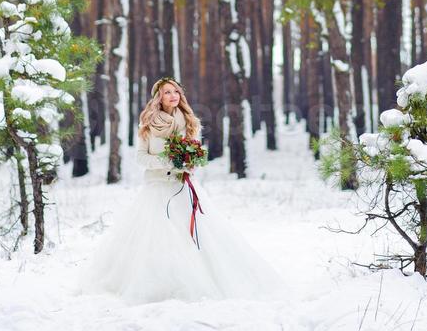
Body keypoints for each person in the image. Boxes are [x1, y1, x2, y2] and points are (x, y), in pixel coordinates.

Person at [77, 76, 285, 305]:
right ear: (158, 97)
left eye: (175, 91)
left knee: (194, 237)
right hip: (156, 188)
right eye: (167, 92)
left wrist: (189, 163)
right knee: (155, 237)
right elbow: (140, 157)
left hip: (182, 186)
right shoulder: (147, 124)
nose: (173, 95)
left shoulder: (189, 121)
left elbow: (195, 152)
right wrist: (167, 162)